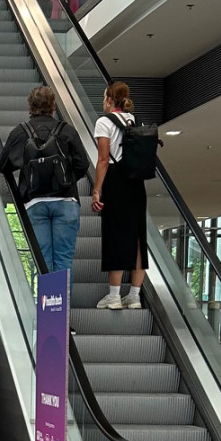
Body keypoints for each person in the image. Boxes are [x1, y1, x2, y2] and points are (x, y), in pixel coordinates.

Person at [0, 84, 91, 276]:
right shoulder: (67, 131)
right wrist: (66, 179)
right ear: (53, 105)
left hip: (35, 203)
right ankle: (61, 298)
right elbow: (83, 164)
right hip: (66, 202)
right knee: (64, 260)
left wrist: (26, 165)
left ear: (30, 106)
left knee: (43, 261)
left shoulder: (20, 132)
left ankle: (48, 297)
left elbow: (2, 165)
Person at [92, 80, 148, 311]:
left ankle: (114, 296)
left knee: (116, 234)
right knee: (138, 237)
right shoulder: (136, 121)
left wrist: (97, 190)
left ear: (108, 99)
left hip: (116, 180)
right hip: (136, 182)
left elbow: (103, 159)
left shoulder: (104, 122)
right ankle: (134, 296)